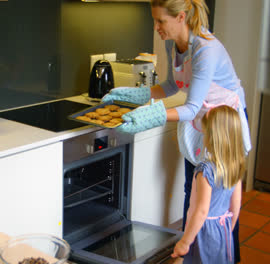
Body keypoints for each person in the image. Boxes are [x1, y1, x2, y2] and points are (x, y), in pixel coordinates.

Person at [101, 0, 251, 262]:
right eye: (155, 20)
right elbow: (172, 86)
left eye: (161, 21)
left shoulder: (206, 49)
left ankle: (226, 255)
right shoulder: (172, 43)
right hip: (201, 119)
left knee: (221, 197)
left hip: (224, 124)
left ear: (181, 17)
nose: (156, 27)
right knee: (191, 189)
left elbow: (191, 107)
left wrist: (153, 114)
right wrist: (134, 95)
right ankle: (187, 250)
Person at [171, 105, 245, 263]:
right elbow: (235, 206)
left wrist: (185, 242)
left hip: (203, 231)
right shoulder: (235, 165)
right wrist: (226, 229)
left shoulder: (204, 170)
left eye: (204, 132)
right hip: (222, 228)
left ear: (211, 137)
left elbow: (201, 211)